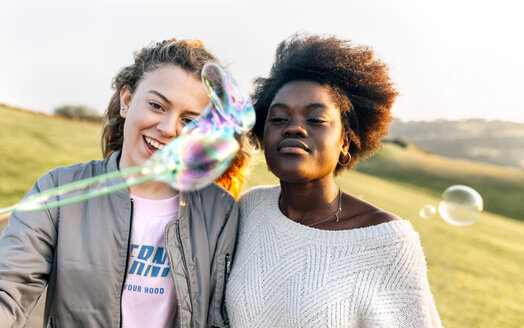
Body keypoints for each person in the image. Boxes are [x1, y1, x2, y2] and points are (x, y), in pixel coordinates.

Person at [0, 38, 250, 327]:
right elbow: (9, 288)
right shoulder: (55, 190)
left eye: (190, 121)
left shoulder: (220, 212)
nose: (169, 129)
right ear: (127, 101)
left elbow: (220, 318)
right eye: (157, 105)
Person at [225, 34, 442, 327]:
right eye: (278, 119)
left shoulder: (387, 243)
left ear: (345, 141)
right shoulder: (250, 208)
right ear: (263, 134)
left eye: (315, 120)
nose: (294, 129)